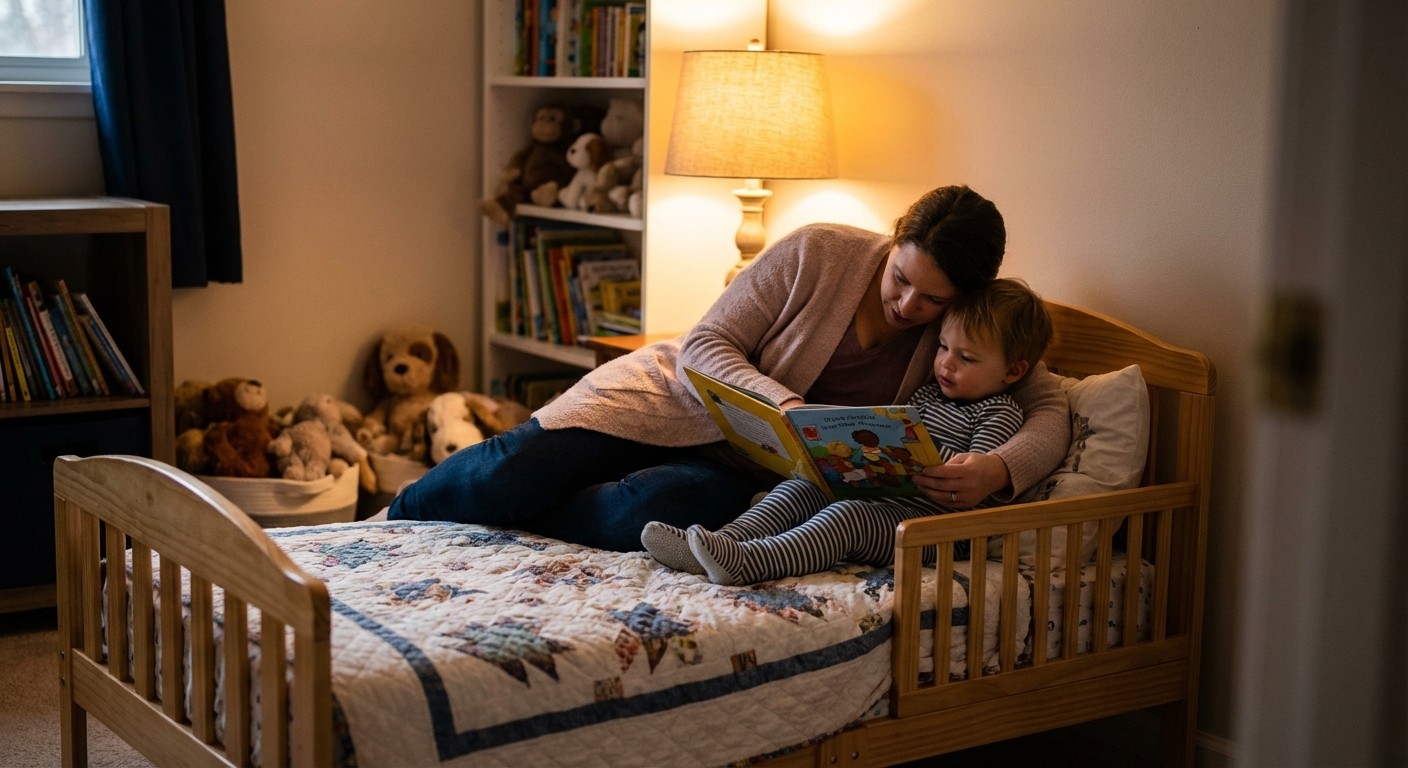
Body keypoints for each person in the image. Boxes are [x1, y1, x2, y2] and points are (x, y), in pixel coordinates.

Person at [388, 186, 1070, 553]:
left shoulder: (970, 328)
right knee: (517, 466)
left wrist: (1000, 467)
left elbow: (1048, 405)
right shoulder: (820, 252)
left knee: (652, 513)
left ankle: (522, 519)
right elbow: (705, 346)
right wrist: (786, 405)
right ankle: (388, 519)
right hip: (669, 403)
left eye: (933, 300)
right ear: (893, 242)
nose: (908, 304)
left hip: (745, 471)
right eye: (900, 278)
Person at [643, 279, 1052, 585]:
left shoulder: (999, 413)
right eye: (943, 348)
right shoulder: (927, 395)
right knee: (806, 484)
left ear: (1014, 371)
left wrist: (940, 467)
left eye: (966, 358)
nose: (945, 364)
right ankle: (721, 544)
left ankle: (753, 562)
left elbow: (970, 498)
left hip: (934, 531)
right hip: (890, 503)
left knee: (846, 515)